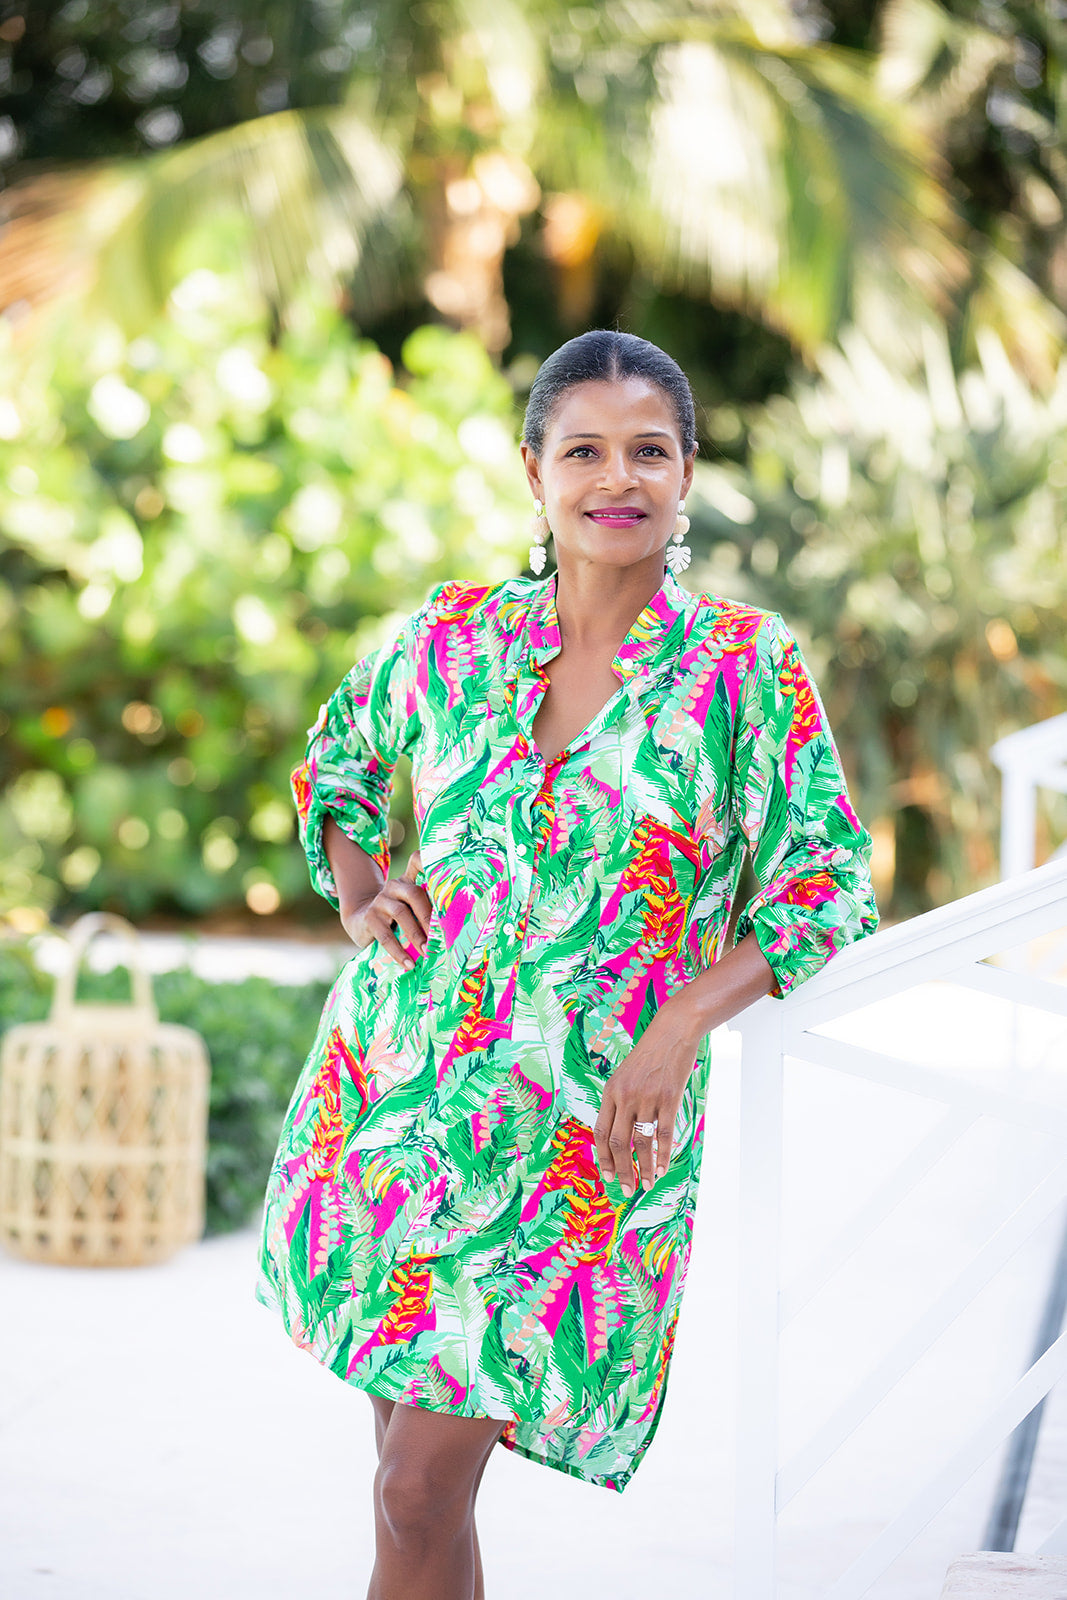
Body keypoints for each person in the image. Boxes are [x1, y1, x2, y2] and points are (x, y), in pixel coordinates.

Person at [256, 329, 878, 1600]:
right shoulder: (453, 634)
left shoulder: (743, 667)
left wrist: (676, 1028)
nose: (616, 478)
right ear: (531, 470)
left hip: (579, 1144)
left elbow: (823, 884)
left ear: (687, 471)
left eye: (647, 450)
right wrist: (364, 891)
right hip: (393, 1099)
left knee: (414, 1489)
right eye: (582, 451)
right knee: (414, 1495)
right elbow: (341, 757)